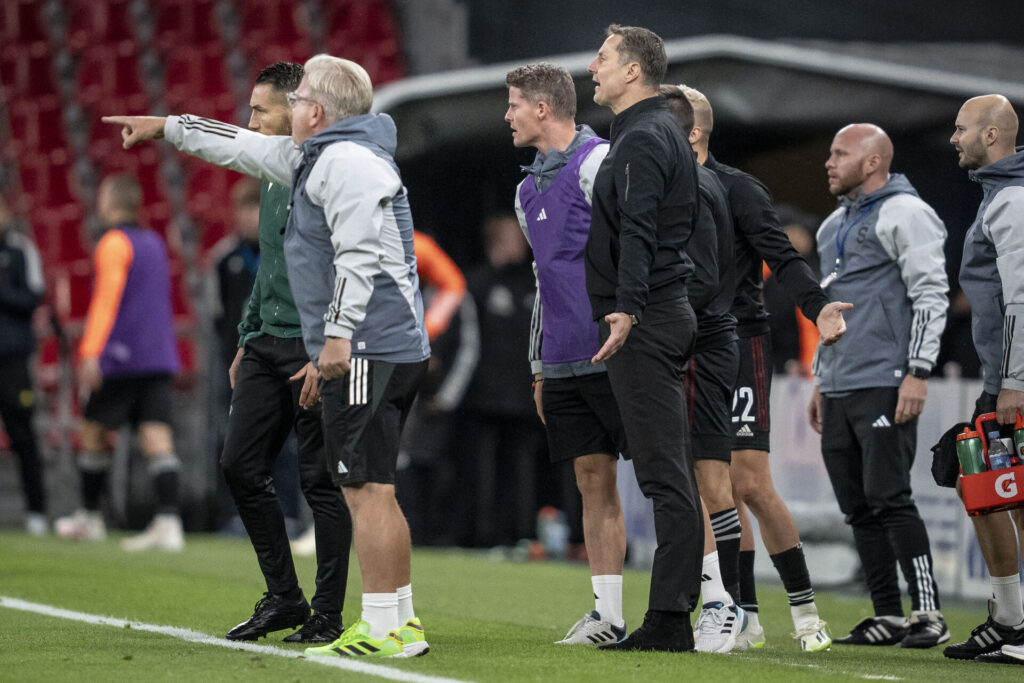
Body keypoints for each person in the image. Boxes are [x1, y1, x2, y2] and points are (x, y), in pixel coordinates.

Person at [104, 52, 430, 659]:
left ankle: (385, 629)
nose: (292, 104)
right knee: (372, 485)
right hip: (381, 342)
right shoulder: (322, 156)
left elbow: (359, 256)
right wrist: (166, 126)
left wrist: (335, 337)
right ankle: (400, 621)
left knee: (364, 488)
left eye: (300, 95)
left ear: (317, 110)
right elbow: (238, 147)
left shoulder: (349, 161)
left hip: (369, 343)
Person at [682, 85, 848, 650]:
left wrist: (818, 306)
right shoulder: (662, 189)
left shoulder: (738, 189)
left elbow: (784, 257)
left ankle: (805, 614)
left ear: (694, 131)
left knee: (749, 482)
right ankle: (742, 612)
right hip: (684, 343)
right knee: (710, 484)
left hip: (740, 341)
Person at [208, 62, 352, 645]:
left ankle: (327, 612)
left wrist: (326, 350)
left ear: (295, 109)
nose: (250, 121)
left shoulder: (324, 172)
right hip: (266, 345)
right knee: (239, 466)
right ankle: (284, 597)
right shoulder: (270, 176)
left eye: (259, 110)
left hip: (312, 348)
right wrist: (246, 337)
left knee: (321, 483)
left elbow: (349, 264)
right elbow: (270, 269)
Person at [583, 24, 702, 652]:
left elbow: (640, 227)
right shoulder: (656, 131)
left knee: (664, 475)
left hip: (648, 317)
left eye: (603, 58)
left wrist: (627, 307)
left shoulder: (643, 136)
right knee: (667, 470)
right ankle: (672, 612)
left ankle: (669, 620)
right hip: (661, 311)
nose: (593, 66)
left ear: (634, 71)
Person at [808, 123, 950, 648]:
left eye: (840, 153)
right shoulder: (831, 226)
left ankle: (929, 614)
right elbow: (832, 317)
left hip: (888, 378)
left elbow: (932, 293)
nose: (829, 161)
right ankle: (888, 614)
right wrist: (823, 380)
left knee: (890, 497)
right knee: (858, 506)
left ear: (872, 163)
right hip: (842, 381)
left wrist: (918, 370)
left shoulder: (907, 214)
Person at [505, 62, 628, 646]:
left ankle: (714, 603)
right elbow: (543, 281)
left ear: (544, 109)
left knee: (667, 478)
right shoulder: (525, 190)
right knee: (590, 480)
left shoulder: (599, 162)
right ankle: (608, 615)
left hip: (618, 352)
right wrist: (537, 363)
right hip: (561, 359)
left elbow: (637, 249)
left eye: (514, 104)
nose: (507, 116)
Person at [660, 83, 750, 654]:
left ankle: (725, 605)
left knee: (713, 482)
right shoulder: (690, 183)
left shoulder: (699, 185)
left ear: (689, 131)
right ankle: (724, 604)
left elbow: (705, 277)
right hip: (696, 340)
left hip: (702, 342)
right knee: (696, 481)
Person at [54, 174, 185, 552]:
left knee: (93, 432)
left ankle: (91, 517)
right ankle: (169, 521)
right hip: (159, 354)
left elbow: (106, 300)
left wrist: (91, 351)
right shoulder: (155, 242)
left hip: (122, 356)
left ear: (111, 201)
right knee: (157, 436)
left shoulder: (113, 242)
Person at [946, 93, 1024, 664]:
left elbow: (1021, 299)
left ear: (991, 136)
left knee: (1007, 498)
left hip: (1014, 380)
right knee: (978, 486)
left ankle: (1016, 624)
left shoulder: (1013, 201)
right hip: (1002, 375)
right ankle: (1008, 620)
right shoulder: (1000, 195)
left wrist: (1012, 383)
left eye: (961, 128)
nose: (953, 138)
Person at [0, 196, 49, 535]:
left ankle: (36, 512)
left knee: (23, 435)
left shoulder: (21, 250)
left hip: (13, 359)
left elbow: (33, 298)